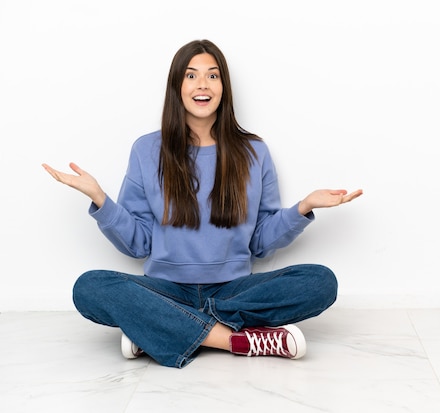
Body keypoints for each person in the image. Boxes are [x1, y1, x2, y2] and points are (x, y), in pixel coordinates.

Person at [42, 39, 362, 368]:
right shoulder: (146, 150)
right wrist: (101, 200)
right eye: (191, 76)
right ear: (177, 86)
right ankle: (233, 339)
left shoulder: (254, 152)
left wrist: (303, 207)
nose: (202, 85)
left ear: (224, 86)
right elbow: (139, 244)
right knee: (90, 287)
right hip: (166, 289)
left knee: (319, 281)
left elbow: (262, 242)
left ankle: (160, 327)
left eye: (212, 75)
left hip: (233, 290)